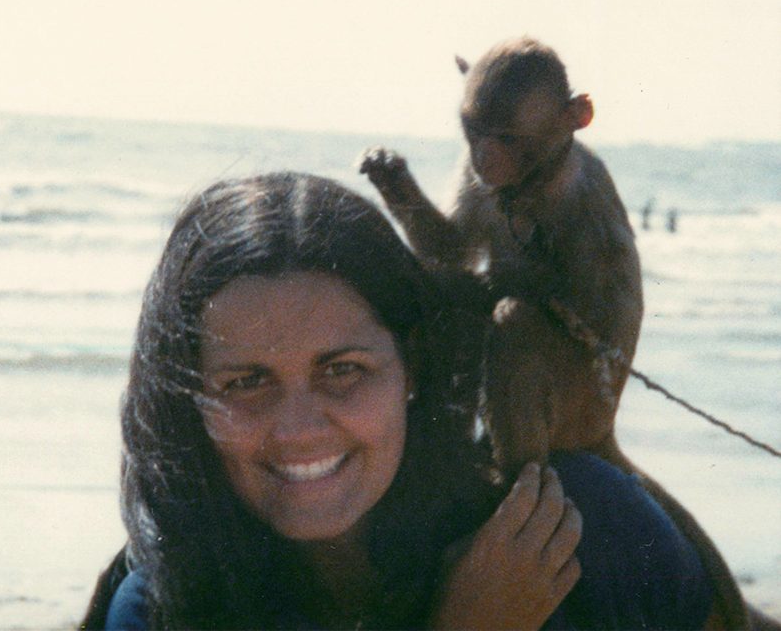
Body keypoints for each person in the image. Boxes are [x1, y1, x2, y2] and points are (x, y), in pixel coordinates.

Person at [80, 172, 713, 630]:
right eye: (246, 382)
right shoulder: (168, 609)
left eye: (343, 370)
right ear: (184, 395)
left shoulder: (583, 529)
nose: (299, 429)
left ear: (413, 364)